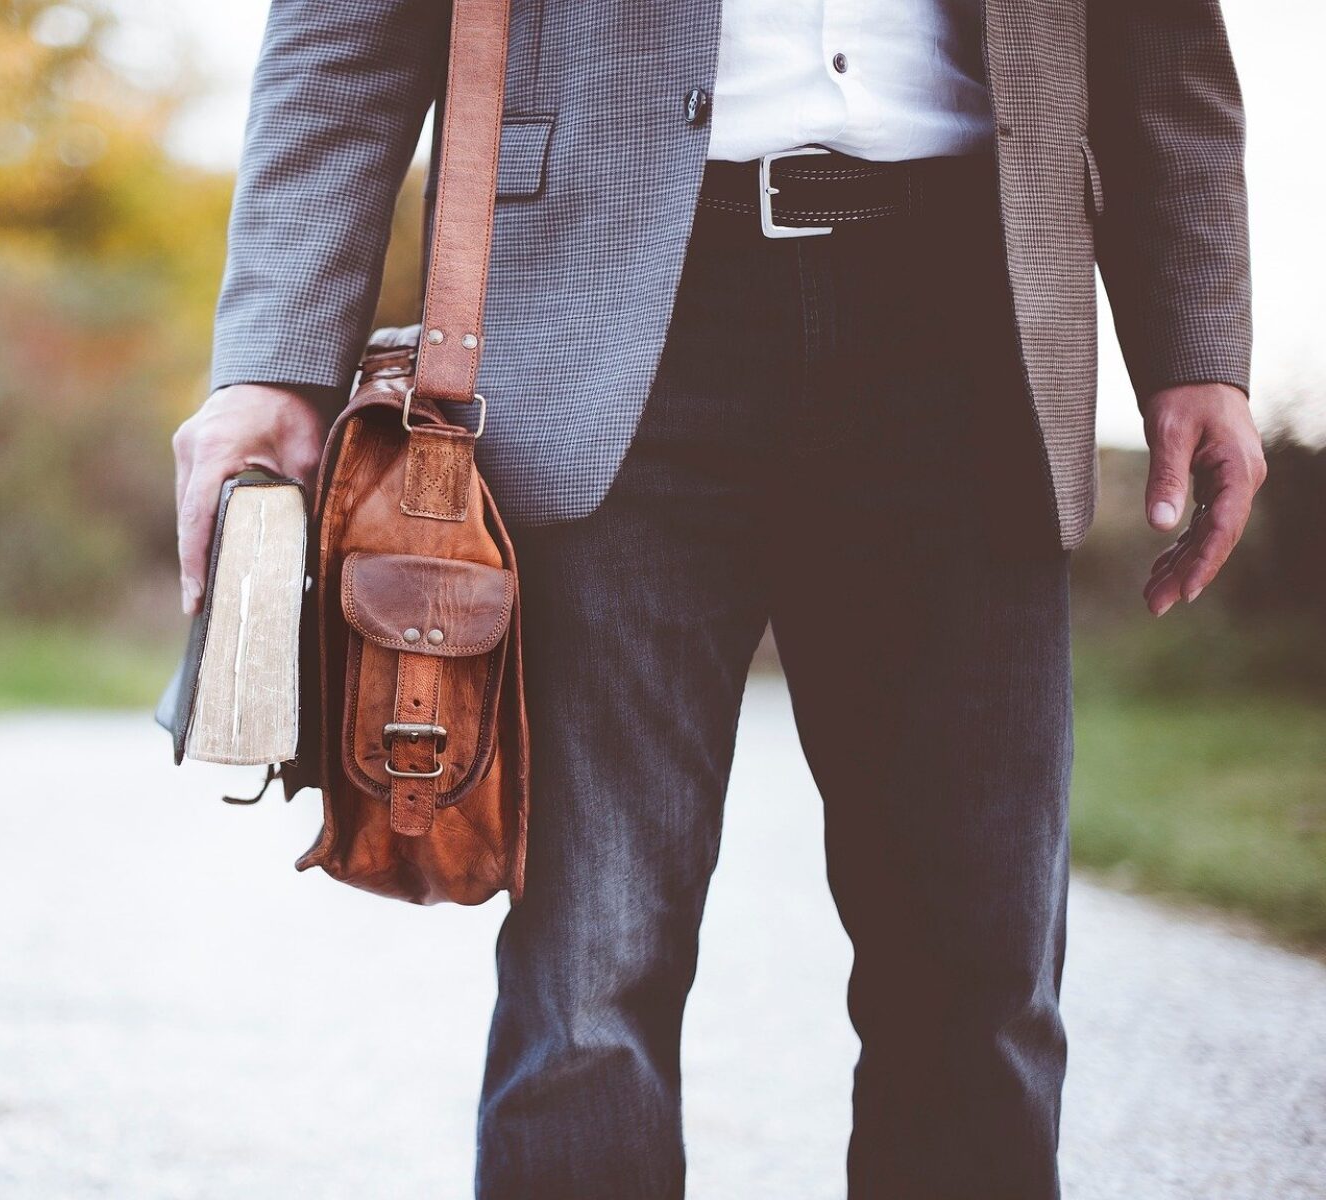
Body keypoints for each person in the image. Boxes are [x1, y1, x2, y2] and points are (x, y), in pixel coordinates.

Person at [171, 1, 1263, 1195]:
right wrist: (273, 359)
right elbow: (346, 31)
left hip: (975, 316)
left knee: (978, 980)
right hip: (607, 312)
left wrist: (1193, 339)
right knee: (589, 976)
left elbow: (1159, 41)